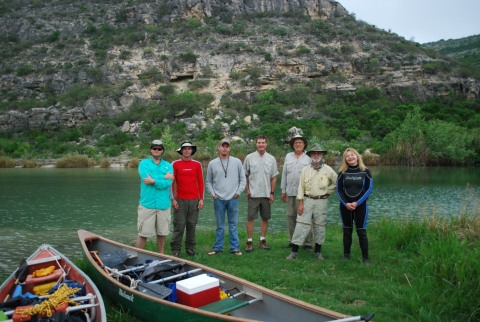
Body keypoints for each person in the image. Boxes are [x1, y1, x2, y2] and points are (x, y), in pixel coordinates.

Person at [286, 143, 338, 260]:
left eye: (318, 153)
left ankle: (318, 252)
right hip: (307, 200)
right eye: (314, 153)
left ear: (322, 155)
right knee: (301, 224)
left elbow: (337, 182)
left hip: (321, 201)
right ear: (310, 155)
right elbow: (301, 187)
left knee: (320, 225)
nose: (316, 155)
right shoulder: (305, 169)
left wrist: (327, 191)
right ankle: (294, 251)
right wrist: (300, 203)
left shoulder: (328, 169)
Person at [205, 138, 246, 256]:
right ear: (219, 147)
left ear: (230, 148)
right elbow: (208, 181)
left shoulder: (237, 162)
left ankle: (235, 248)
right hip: (218, 199)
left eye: (227, 146)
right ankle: (218, 247)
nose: (224, 148)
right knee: (220, 225)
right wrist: (213, 194)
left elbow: (243, 179)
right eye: (222, 146)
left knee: (233, 224)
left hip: (233, 198)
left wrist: (238, 192)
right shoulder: (212, 163)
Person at [136, 139, 175, 254]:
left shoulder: (168, 166)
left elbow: (169, 183)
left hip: (164, 204)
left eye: (159, 149)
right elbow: (145, 178)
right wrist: (164, 178)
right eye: (154, 148)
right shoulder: (143, 164)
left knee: (162, 233)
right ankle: (137, 255)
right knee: (143, 234)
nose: (157, 151)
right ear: (151, 150)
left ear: (162, 150)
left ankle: (161, 255)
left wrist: (153, 180)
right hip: (147, 204)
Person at [336, 148, 373, 265]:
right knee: (347, 231)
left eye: (352, 155)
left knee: (361, 232)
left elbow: (369, 188)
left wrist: (357, 203)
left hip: (360, 206)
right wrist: (345, 203)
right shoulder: (342, 172)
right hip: (345, 206)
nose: (350, 157)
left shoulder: (365, 171)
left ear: (357, 156)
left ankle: (365, 258)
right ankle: (346, 256)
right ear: (345, 159)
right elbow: (338, 190)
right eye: (348, 156)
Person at [243, 135, 279, 252]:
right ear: (256, 144)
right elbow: (245, 175)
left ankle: (262, 241)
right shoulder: (249, 158)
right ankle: (249, 242)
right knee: (250, 218)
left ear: (266, 144)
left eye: (263, 142)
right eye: (259, 142)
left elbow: (274, 176)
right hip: (253, 194)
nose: (261, 144)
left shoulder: (271, 159)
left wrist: (272, 192)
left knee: (265, 218)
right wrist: (247, 189)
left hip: (266, 194)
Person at [170, 141, 205, 257]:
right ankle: (175, 250)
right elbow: (171, 182)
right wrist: (173, 199)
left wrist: (201, 199)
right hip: (180, 200)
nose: (187, 150)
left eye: (189, 149)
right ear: (181, 150)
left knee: (191, 225)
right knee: (179, 225)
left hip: (194, 200)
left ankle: (190, 249)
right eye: (184, 148)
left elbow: (200, 182)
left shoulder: (197, 164)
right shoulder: (175, 164)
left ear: (192, 151)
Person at [280, 134, 313, 252]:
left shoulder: (309, 157)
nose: (298, 144)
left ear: (304, 145)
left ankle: (308, 243)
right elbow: (284, 174)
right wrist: (283, 190)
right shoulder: (288, 156)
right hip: (290, 192)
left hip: (305, 194)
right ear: (292, 145)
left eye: (300, 142)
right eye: (295, 143)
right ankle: (293, 241)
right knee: (291, 217)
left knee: (305, 218)